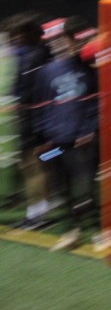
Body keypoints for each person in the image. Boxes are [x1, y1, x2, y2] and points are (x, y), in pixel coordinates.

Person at [32, 16, 99, 251]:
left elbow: (96, 104)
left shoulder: (91, 70)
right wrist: (42, 137)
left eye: (85, 39)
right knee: (62, 185)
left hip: (84, 141)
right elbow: (40, 106)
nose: (80, 44)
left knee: (89, 184)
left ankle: (98, 230)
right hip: (57, 143)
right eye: (77, 39)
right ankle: (71, 231)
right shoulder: (46, 72)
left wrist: (89, 130)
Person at [8, 13, 53, 230]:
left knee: (35, 163)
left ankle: (38, 215)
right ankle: (36, 211)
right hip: (28, 116)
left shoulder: (39, 56)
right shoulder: (31, 55)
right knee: (29, 164)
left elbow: (39, 90)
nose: (16, 39)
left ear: (27, 34)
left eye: (18, 35)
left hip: (37, 117)